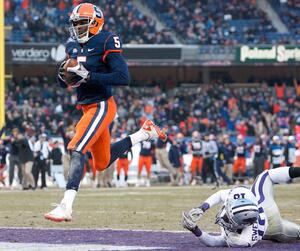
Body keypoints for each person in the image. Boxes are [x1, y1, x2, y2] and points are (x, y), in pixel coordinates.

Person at [44, 3, 166, 222]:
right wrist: (63, 75)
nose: (77, 28)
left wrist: (89, 75)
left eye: (82, 23)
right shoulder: (72, 46)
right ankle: (144, 133)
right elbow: (64, 83)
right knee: (102, 162)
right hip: (86, 107)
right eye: (75, 24)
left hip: (102, 104)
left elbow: (123, 78)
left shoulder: (106, 40)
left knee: (77, 147)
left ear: (94, 23)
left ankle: (66, 206)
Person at [182, 166, 300, 247]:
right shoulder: (244, 195)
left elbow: (214, 242)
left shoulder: (243, 239)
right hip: (263, 203)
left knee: (295, 232)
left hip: (272, 228)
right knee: (265, 175)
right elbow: (220, 194)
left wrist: (195, 230)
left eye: (228, 218)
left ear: (242, 224)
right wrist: (202, 208)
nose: (223, 217)